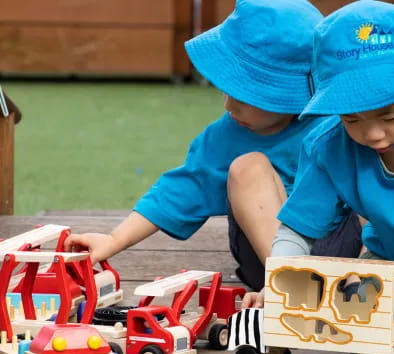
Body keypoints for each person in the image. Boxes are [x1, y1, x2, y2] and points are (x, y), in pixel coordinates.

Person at [63, 0, 362, 292]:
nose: (229, 105)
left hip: (344, 254)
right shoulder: (227, 135)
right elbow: (179, 190)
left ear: (292, 92)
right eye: (226, 91)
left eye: (244, 97)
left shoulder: (338, 120)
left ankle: (361, 281)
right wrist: (114, 240)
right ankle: (292, 289)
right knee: (248, 166)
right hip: (269, 261)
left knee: (369, 164)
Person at [246, 1, 394, 354]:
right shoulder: (328, 146)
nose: (373, 134)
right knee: (366, 337)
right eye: (352, 119)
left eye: (390, 116)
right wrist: (279, 278)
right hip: (387, 262)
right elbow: (297, 230)